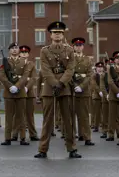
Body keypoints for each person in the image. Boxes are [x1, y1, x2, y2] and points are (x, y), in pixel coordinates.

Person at [34, 21, 81, 158]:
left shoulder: (69, 50)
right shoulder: (45, 51)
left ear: (63, 34)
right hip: (49, 87)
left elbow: (70, 68)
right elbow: (45, 69)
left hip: (64, 87)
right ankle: (43, 149)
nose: (57, 35)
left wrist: (61, 84)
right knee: (48, 120)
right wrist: (55, 83)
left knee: (68, 119)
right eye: (55, 32)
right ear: (50, 35)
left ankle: (72, 149)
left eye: (60, 32)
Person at [0, 42, 30, 145]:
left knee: (21, 116)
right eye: (12, 48)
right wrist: (10, 86)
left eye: (16, 48)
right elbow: (2, 76)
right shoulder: (5, 61)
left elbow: (25, 76)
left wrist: (16, 86)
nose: (14, 50)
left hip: (20, 92)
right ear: (9, 50)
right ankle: (7, 138)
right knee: (9, 116)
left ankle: (22, 138)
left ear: (19, 50)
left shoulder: (24, 62)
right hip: (9, 93)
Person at [11, 45, 39, 141]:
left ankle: (33, 134)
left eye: (25, 52)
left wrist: (27, 87)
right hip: (18, 92)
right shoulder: (15, 63)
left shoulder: (31, 64)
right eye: (22, 52)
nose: (24, 54)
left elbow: (34, 77)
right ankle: (14, 134)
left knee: (29, 114)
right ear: (19, 53)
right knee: (17, 114)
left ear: (28, 54)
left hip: (29, 92)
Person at [72, 37, 94, 146]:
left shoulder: (88, 60)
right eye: (76, 45)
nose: (78, 47)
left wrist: (81, 86)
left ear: (83, 47)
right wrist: (75, 85)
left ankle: (87, 137)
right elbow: (69, 74)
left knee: (84, 115)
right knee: (72, 115)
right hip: (73, 91)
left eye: (80, 45)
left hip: (84, 91)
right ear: (73, 47)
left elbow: (90, 75)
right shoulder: (70, 59)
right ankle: (72, 136)